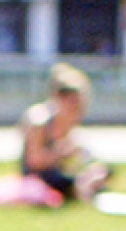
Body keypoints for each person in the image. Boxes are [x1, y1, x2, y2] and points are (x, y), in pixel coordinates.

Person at [20, 62, 112, 202]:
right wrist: (62, 153)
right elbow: (34, 161)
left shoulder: (69, 123)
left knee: (103, 170)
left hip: (60, 172)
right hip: (41, 177)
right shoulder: (40, 120)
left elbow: (81, 157)